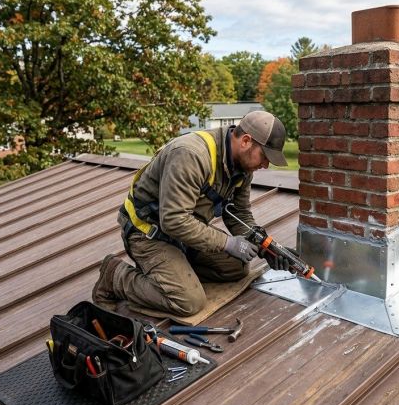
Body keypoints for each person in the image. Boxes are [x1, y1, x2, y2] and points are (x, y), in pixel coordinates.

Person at [93, 111, 293, 316]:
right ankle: (114, 276)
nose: (266, 165)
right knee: (188, 302)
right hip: (148, 232)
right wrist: (228, 243)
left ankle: (175, 272)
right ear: (246, 141)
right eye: (264, 156)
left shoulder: (243, 167)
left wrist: (266, 248)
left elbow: (239, 213)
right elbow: (173, 220)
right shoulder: (191, 155)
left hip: (185, 235)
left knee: (237, 268)